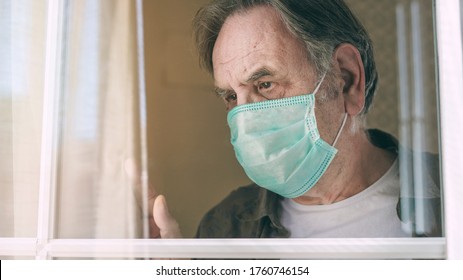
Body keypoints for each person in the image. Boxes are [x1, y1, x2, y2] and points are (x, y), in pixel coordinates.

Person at [150, 0, 442, 239]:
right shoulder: (225, 227)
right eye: (230, 97)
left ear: (346, 78)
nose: (244, 119)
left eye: (265, 84)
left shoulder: (452, 197)